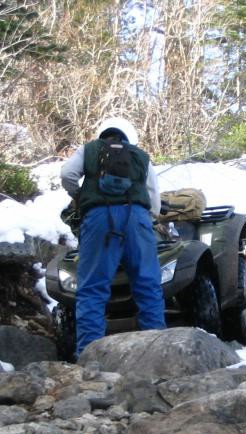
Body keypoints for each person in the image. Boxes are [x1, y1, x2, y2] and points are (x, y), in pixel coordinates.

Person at [60, 117, 166, 359]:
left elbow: (67, 174)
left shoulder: (89, 149)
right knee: (148, 285)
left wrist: (81, 195)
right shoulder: (141, 155)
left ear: (102, 133)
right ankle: (159, 352)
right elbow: (154, 201)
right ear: (129, 136)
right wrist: (146, 218)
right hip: (136, 218)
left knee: (91, 289)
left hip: (99, 219)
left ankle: (89, 357)